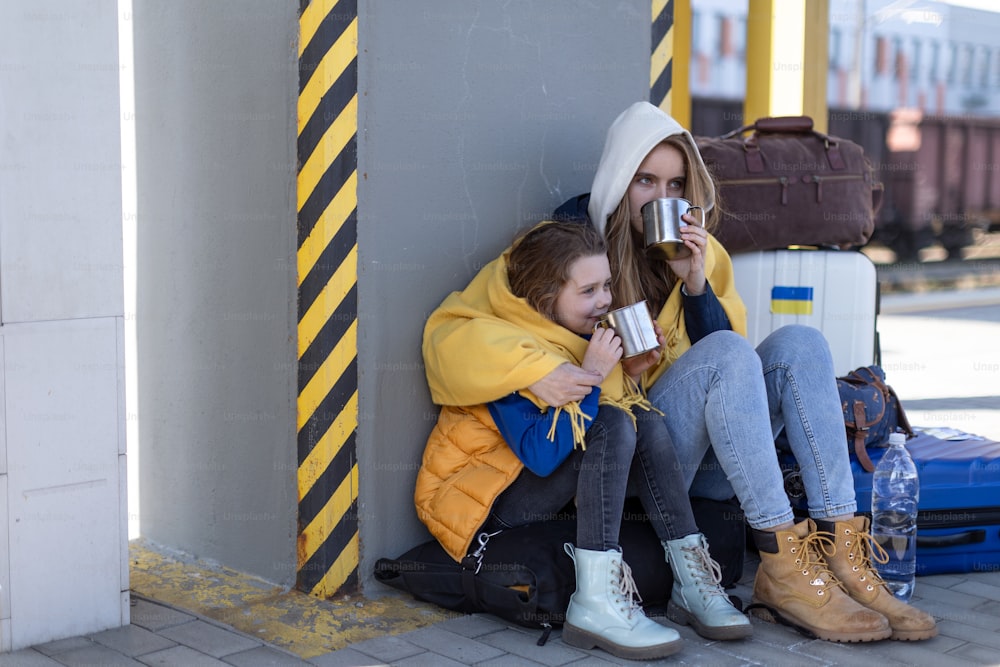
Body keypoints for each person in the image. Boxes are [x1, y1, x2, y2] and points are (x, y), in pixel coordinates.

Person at [579, 100, 938, 643]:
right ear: (617, 180)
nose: (663, 199)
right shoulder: (578, 250)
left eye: (677, 186)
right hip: (640, 460)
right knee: (726, 353)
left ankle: (842, 554)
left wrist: (695, 283)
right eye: (645, 181)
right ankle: (783, 567)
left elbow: (735, 372)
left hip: (714, 465)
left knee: (801, 343)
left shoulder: (702, 252)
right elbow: (545, 354)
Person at [415, 221, 751, 662]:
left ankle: (692, 580)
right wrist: (593, 377)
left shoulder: (570, 336)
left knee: (642, 421)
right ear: (545, 297)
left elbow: (589, 424)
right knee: (611, 423)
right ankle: (595, 605)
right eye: (588, 290)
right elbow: (541, 453)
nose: (605, 300)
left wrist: (628, 372)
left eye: (607, 285)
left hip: (529, 484)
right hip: (484, 504)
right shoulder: (510, 351)